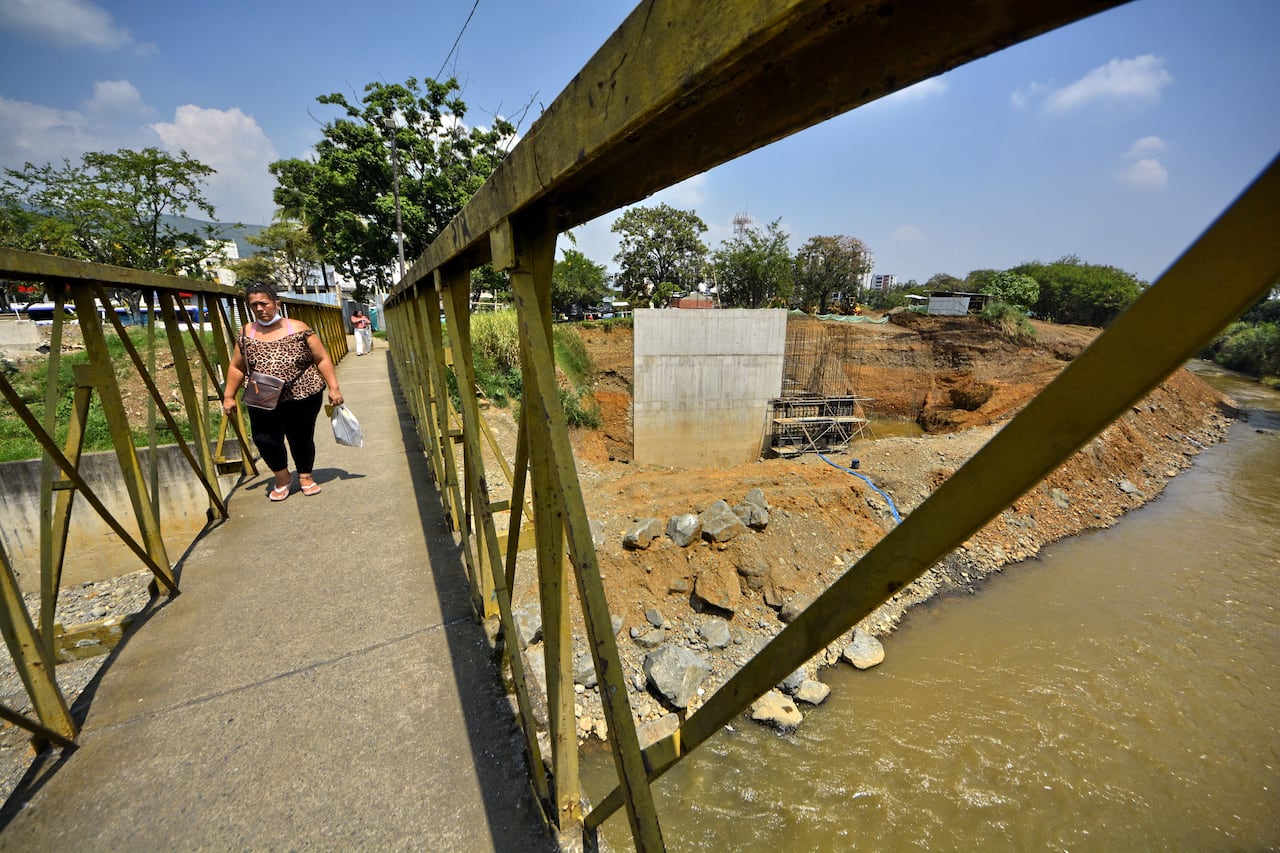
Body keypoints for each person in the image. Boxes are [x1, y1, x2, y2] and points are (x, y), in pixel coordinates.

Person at [222, 283, 344, 501]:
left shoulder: (298, 328)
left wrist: (334, 388)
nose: (260, 308)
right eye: (254, 305)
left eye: (264, 303)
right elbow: (237, 367)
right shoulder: (246, 332)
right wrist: (229, 396)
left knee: (301, 436)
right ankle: (282, 477)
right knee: (264, 438)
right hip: (262, 395)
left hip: (302, 394)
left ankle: (305, 476)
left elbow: (322, 358)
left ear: (276, 304)